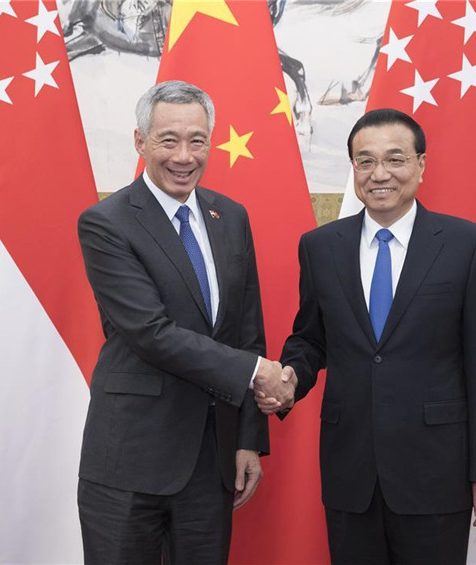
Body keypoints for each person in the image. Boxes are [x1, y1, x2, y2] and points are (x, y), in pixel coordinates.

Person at [258, 108, 476, 564]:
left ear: (421, 165)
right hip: (351, 469)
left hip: (436, 471)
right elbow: (311, 337)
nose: (380, 174)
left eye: (395, 159)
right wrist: (291, 375)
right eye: (365, 161)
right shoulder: (320, 246)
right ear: (353, 168)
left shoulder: (467, 245)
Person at [77, 80, 293, 565]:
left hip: (210, 462)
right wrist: (259, 371)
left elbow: (246, 329)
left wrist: (249, 440)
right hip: (129, 462)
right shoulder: (106, 222)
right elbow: (151, 333)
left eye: (197, 140)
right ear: (140, 142)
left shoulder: (230, 216)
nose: (184, 155)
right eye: (168, 140)